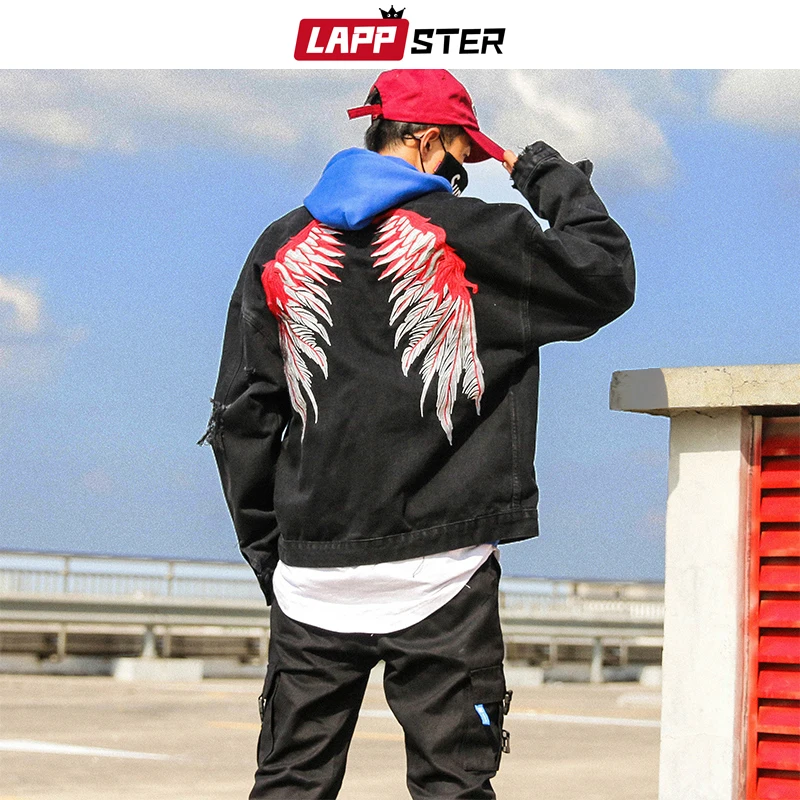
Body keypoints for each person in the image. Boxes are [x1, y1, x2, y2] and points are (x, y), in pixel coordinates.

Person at [201, 69, 635, 799]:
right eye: (459, 162)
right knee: (452, 787)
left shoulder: (278, 245)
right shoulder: (482, 237)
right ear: (428, 141)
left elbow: (244, 414)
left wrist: (274, 556)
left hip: (314, 578)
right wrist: (539, 171)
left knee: (290, 784)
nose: (457, 182)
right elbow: (605, 272)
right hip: (444, 573)